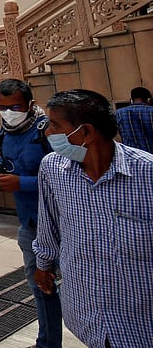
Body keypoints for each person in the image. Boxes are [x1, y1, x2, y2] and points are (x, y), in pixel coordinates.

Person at [34, 89, 153, 347]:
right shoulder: (53, 169)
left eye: (55, 125)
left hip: (141, 320)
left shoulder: (147, 173)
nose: (48, 133)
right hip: (87, 315)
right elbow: (49, 222)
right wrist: (43, 265)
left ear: (86, 133)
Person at [0, 79, 62, 348]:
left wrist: (22, 183)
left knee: (83, 287)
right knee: (41, 288)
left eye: (15, 106)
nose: (8, 112)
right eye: (2, 107)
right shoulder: (5, 131)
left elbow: (65, 176)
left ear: (30, 104)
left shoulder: (47, 130)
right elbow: (11, 164)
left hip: (62, 222)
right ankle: (48, 342)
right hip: (30, 223)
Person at [115, 86, 153, 153]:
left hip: (131, 156)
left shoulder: (119, 113)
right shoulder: (151, 111)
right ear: (149, 100)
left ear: (131, 100)